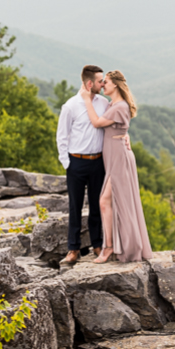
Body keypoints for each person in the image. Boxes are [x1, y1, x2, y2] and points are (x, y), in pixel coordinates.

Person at [80, 69, 153, 263]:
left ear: (116, 85)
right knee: (115, 201)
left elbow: (96, 123)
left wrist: (86, 99)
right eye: (102, 82)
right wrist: (125, 134)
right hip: (115, 156)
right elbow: (119, 129)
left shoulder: (119, 106)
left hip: (119, 158)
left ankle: (109, 248)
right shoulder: (114, 104)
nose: (103, 84)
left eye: (106, 82)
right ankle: (117, 245)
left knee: (105, 201)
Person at [57, 65, 109, 266]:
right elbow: (62, 135)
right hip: (76, 162)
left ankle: (97, 245)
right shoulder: (70, 106)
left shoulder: (104, 103)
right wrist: (67, 164)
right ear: (90, 83)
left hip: (98, 162)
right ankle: (73, 249)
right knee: (75, 206)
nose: (102, 84)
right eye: (100, 81)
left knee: (98, 206)